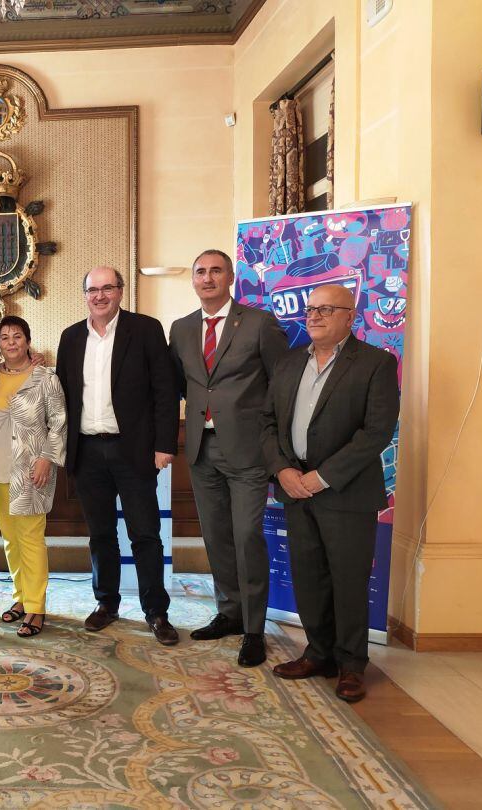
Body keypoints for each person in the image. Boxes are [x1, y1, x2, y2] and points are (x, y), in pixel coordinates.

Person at [260, 284, 399, 703]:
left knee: (348, 580)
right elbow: (267, 423)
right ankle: (318, 652)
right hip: (295, 489)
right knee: (309, 578)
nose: (314, 316)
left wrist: (321, 477)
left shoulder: (376, 363)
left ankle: (351, 664)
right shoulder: (287, 363)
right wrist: (283, 470)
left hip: (345, 492)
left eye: (326, 309)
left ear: (349, 316)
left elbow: (376, 432)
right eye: (311, 309)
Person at [169, 249, 288, 667]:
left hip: (248, 451)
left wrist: (278, 447)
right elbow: (179, 385)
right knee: (217, 538)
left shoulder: (258, 323)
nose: (207, 278)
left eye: (215, 270)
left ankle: (254, 629)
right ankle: (230, 612)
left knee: (246, 536)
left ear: (231, 277)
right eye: (199, 271)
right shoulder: (181, 329)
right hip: (202, 449)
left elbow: (282, 384)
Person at [55, 267, 180, 644]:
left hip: (134, 450)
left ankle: (156, 611)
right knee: (101, 534)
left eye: (107, 287)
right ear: (84, 295)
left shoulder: (145, 329)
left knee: (145, 534)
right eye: (92, 289)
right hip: (88, 451)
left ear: (121, 292)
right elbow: (62, 397)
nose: (99, 295)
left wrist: (165, 445)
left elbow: (164, 390)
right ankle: (106, 603)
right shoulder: (71, 337)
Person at [0, 316, 66, 638]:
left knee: (31, 538)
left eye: (17, 336)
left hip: (31, 471)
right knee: (10, 539)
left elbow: (58, 422)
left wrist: (47, 459)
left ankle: (35, 607)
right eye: (4, 337)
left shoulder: (46, 377)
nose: (11, 342)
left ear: (28, 341)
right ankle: (19, 598)